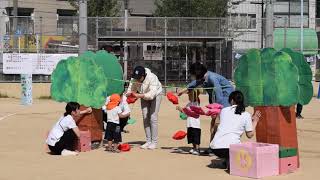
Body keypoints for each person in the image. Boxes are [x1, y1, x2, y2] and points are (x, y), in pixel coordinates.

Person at [178, 62, 234, 153]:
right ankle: (212, 147)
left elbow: (219, 94)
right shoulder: (204, 77)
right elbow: (195, 83)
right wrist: (184, 90)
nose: (192, 76)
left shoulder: (212, 78)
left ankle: (217, 147)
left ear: (197, 73)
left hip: (225, 99)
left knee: (218, 123)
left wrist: (217, 110)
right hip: (215, 99)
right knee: (213, 123)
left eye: (192, 74)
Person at [209, 91, 260, 169]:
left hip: (215, 148)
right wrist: (255, 120)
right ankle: (231, 162)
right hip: (232, 149)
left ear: (232, 101)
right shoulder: (246, 115)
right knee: (237, 143)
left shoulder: (223, 110)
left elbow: (217, 125)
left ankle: (227, 161)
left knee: (227, 138)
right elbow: (250, 135)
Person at [127, 66, 162, 150]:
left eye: (139, 78)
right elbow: (131, 89)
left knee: (153, 117)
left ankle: (154, 142)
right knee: (145, 117)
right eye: (136, 78)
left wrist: (138, 95)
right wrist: (129, 95)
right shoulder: (134, 79)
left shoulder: (152, 77)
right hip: (143, 95)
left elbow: (151, 95)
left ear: (144, 75)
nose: (137, 80)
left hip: (156, 95)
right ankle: (148, 141)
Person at [176, 89, 202, 155]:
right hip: (189, 124)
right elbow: (185, 112)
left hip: (195, 124)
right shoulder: (188, 104)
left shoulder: (196, 103)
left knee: (196, 137)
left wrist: (185, 91)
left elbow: (197, 91)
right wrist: (180, 110)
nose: (189, 97)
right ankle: (194, 148)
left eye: (190, 96)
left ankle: (197, 149)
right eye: (188, 96)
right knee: (191, 137)